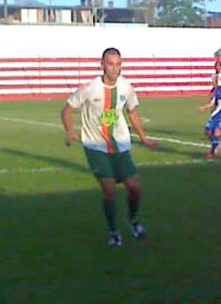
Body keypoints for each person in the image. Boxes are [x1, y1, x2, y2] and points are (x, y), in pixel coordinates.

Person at [61, 47, 157, 247]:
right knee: (110, 188)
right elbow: (67, 110)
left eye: (118, 64)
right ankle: (113, 231)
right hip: (95, 146)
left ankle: (132, 220)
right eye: (110, 63)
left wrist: (143, 138)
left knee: (135, 188)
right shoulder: (89, 88)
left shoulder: (126, 88)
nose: (115, 68)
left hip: (120, 145)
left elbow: (133, 112)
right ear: (102, 65)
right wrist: (70, 131)